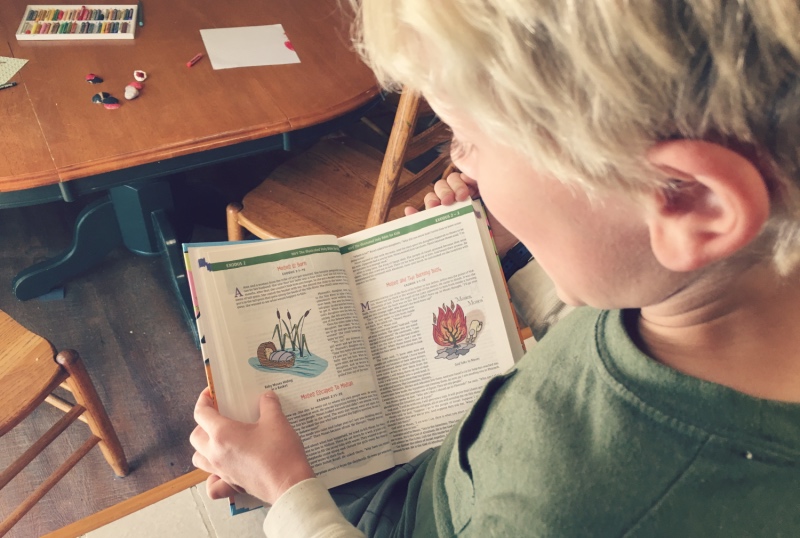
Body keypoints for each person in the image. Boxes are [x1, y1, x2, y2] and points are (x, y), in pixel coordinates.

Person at [190, 1, 800, 536]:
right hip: (449, 469)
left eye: (467, 139)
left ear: (692, 201)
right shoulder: (717, 287)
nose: (462, 165)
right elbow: (587, 322)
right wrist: (511, 246)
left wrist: (290, 495)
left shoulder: (569, 511)